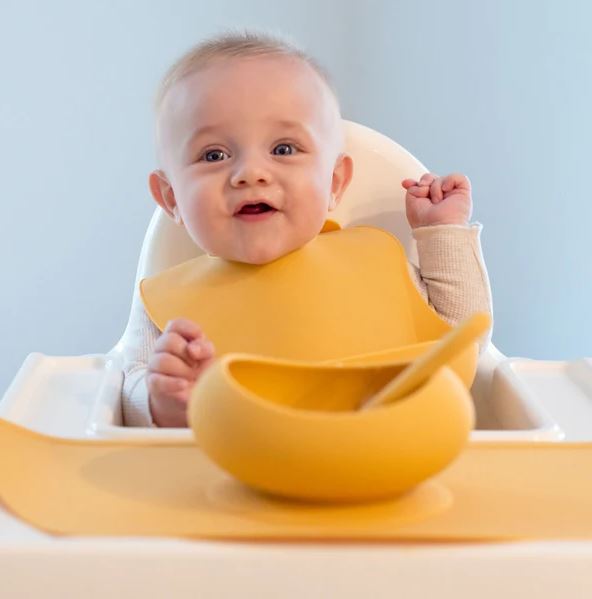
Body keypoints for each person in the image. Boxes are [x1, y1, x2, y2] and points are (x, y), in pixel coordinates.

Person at [122, 31, 493, 428]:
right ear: (171, 197)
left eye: (283, 149)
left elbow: (464, 340)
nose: (250, 173)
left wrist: (442, 233)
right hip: (242, 475)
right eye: (214, 154)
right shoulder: (168, 304)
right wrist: (163, 400)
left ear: (334, 183)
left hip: (391, 461)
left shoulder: (374, 265)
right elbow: (126, 391)